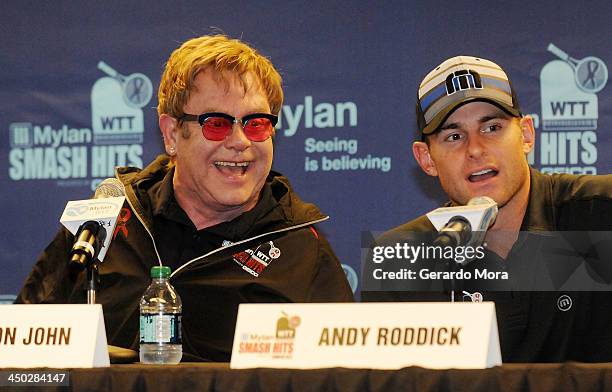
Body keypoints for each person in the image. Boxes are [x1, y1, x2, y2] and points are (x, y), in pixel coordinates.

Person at [16, 35, 354, 362]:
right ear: (172, 134)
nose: (240, 142)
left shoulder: (302, 250)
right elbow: (19, 361)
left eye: (256, 124)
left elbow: (343, 377)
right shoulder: (103, 226)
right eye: (217, 123)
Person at [363, 55, 612, 362]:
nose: (476, 149)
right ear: (426, 159)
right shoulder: (398, 260)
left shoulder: (602, 213)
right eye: (454, 136)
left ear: (526, 135)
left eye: (492, 127)